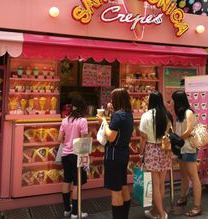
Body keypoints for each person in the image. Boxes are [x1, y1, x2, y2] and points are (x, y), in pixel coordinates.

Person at [97, 88, 133, 219]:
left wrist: (104, 122)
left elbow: (111, 137)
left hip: (113, 155)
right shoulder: (128, 114)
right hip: (123, 154)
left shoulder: (118, 116)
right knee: (123, 186)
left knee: (115, 191)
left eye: (112, 99)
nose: (110, 101)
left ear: (117, 100)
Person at [139, 91, 172, 219]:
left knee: (155, 185)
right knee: (161, 184)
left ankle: (162, 214)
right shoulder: (167, 115)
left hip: (151, 149)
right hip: (164, 149)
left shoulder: (146, 116)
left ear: (151, 101)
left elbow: (143, 138)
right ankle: (155, 211)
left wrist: (141, 155)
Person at [58, 94, 89, 218]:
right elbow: (84, 140)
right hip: (77, 155)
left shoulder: (65, 120)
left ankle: (67, 209)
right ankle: (76, 212)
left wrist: (68, 140)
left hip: (65, 154)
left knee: (67, 179)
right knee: (77, 183)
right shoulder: (82, 121)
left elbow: (59, 138)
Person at [172, 91, 202, 217]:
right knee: (184, 175)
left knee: (193, 177)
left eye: (173, 99)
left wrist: (177, 140)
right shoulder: (179, 115)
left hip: (189, 148)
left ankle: (197, 206)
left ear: (178, 100)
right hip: (181, 149)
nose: (171, 102)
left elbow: (189, 130)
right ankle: (183, 197)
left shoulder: (189, 112)